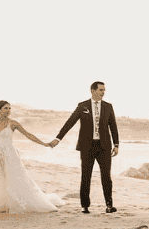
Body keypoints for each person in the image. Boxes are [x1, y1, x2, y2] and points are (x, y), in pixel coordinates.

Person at [49, 82, 119, 214]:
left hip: (104, 146)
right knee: (86, 176)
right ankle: (84, 206)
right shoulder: (83, 106)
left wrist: (116, 145)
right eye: (100, 90)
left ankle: (109, 205)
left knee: (106, 176)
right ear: (92, 91)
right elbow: (69, 122)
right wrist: (58, 138)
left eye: (104, 90)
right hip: (87, 146)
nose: (103, 92)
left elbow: (113, 126)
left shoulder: (108, 107)